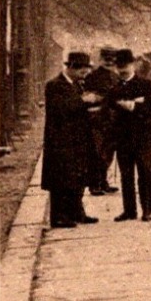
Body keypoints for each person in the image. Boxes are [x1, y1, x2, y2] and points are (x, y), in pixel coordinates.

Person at [41, 51, 101, 228]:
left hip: (77, 139)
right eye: (82, 70)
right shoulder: (54, 85)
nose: (85, 74)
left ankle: (76, 212)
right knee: (61, 178)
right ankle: (59, 216)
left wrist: (90, 106)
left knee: (78, 176)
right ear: (72, 67)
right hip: (61, 140)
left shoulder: (76, 85)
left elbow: (77, 107)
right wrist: (85, 102)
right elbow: (62, 109)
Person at [107, 48, 151, 222]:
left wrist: (133, 106)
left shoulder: (146, 84)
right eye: (119, 66)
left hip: (143, 137)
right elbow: (109, 108)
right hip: (123, 139)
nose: (122, 70)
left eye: (125, 66)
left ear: (133, 64)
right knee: (126, 175)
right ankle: (129, 210)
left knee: (145, 173)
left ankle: (147, 209)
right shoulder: (114, 88)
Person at [83, 48, 120, 195]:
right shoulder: (92, 76)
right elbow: (88, 96)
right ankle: (94, 184)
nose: (109, 61)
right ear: (101, 59)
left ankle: (104, 182)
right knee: (96, 152)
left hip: (112, 120)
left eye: (112, 58)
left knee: (109, 152)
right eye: (106, 58)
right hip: (97, 120)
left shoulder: (116, 77)